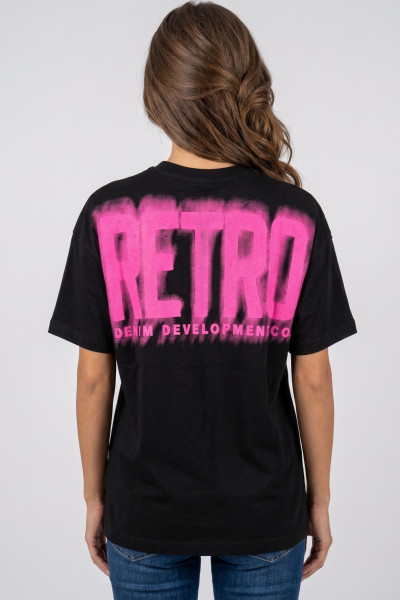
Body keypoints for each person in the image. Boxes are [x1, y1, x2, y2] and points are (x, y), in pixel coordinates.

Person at [48, 2, 357, 599]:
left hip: (145, 506)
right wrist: (319, 501)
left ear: (158, 95)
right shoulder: (296, 214)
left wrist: (94, 498)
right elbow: (313, 378)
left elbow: (93, 378)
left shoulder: (108, 213)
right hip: (265, 507)